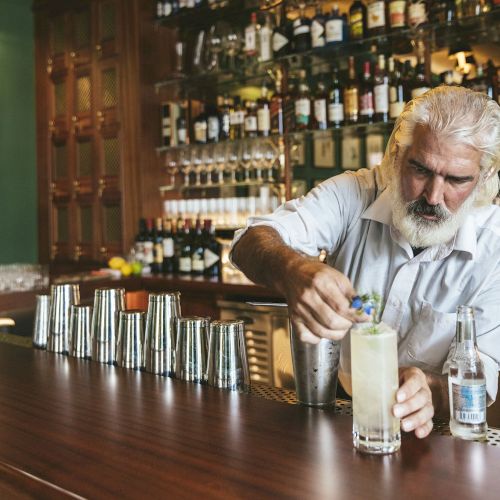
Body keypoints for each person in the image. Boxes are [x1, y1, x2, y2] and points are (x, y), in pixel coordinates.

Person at [230, 86, 500, 439]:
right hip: (340, 413)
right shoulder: (354, 193)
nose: (433, 196)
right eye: (420, 170)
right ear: (396, 156)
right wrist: (292, 269)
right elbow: (248, 240)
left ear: (482, 179)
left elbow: (484, 371)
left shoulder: (494, 246)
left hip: (431, 431)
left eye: (456, 179)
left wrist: (430, 390)